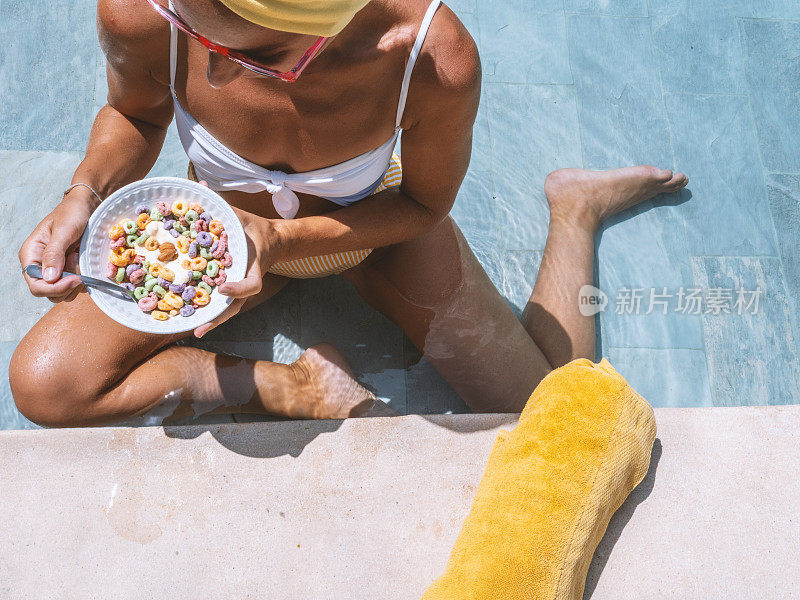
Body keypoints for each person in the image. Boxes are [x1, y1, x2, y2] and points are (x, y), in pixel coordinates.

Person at [9, 0, 688, 427]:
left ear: (327, 29)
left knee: (554, 415)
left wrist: (285, 238)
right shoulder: (147, 9)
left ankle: (576, 210)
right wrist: (85, 193)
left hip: (374, 227)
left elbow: (423, 202)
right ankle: (290, 386)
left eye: (252, 58)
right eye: (194, 31)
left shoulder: (429, 57)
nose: (213, 75)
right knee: (46, 386)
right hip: (223, 233)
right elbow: (135, 111)